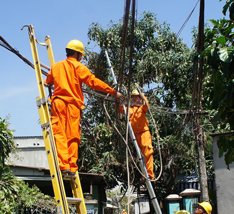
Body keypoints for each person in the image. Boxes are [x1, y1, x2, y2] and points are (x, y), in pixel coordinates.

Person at [45, 40, 124, 176]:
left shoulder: (56, 66)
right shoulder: (79, 67)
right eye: (81, 55)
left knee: (59, 134)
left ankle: (64, 166)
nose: (81, 57)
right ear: (76, 53)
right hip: (73, 106)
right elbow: (94, 82)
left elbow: (47, 83)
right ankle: (71, 166)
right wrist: (113, 91)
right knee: (73, 136)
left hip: (58, 104)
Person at [120, 88, 154, 181]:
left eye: (136, 97)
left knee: (147, 151)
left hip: (144, 132)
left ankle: (149, 174)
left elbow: (147, 104)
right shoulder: (128, 109)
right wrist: (117, 99)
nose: (134, 99)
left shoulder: (142, 107)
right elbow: (120, 109)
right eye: (133, 97)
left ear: (139, 98)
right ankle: (144, 173)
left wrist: (143, 95)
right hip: (135, 135)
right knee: (140, 155)